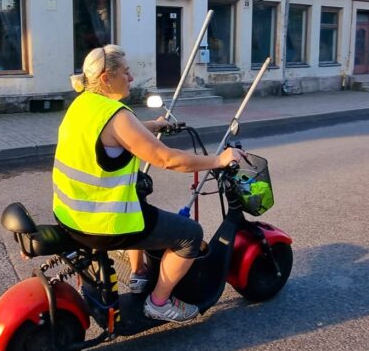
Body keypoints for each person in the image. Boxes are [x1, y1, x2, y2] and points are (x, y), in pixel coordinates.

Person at [53, 44, 247, 322]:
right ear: (107, 78)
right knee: (189, 234)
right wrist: (218, 160)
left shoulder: (83, 105)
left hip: (71, 216)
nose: (131, 78)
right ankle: (159, 302)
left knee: (140, 201)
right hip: (102, 224)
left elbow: (116, 131)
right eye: (126, 72)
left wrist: (153, 125)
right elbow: (168, 159)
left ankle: (140, 275)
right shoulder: (116, 115)